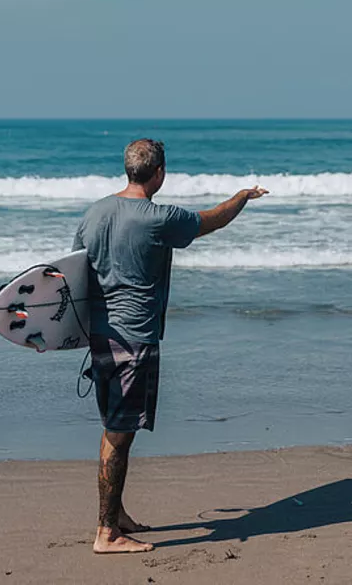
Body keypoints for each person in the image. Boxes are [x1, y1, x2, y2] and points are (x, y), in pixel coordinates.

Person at [72, 138, 267, 554]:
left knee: (114, 428)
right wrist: (242, 196)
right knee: (119, 435)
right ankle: (107, 533)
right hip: (134, 339)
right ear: (159, 173)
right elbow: (212, 220)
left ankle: (116, 512)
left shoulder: (94, 214)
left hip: (100, 338)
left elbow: (73, 277)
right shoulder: (158, 218)